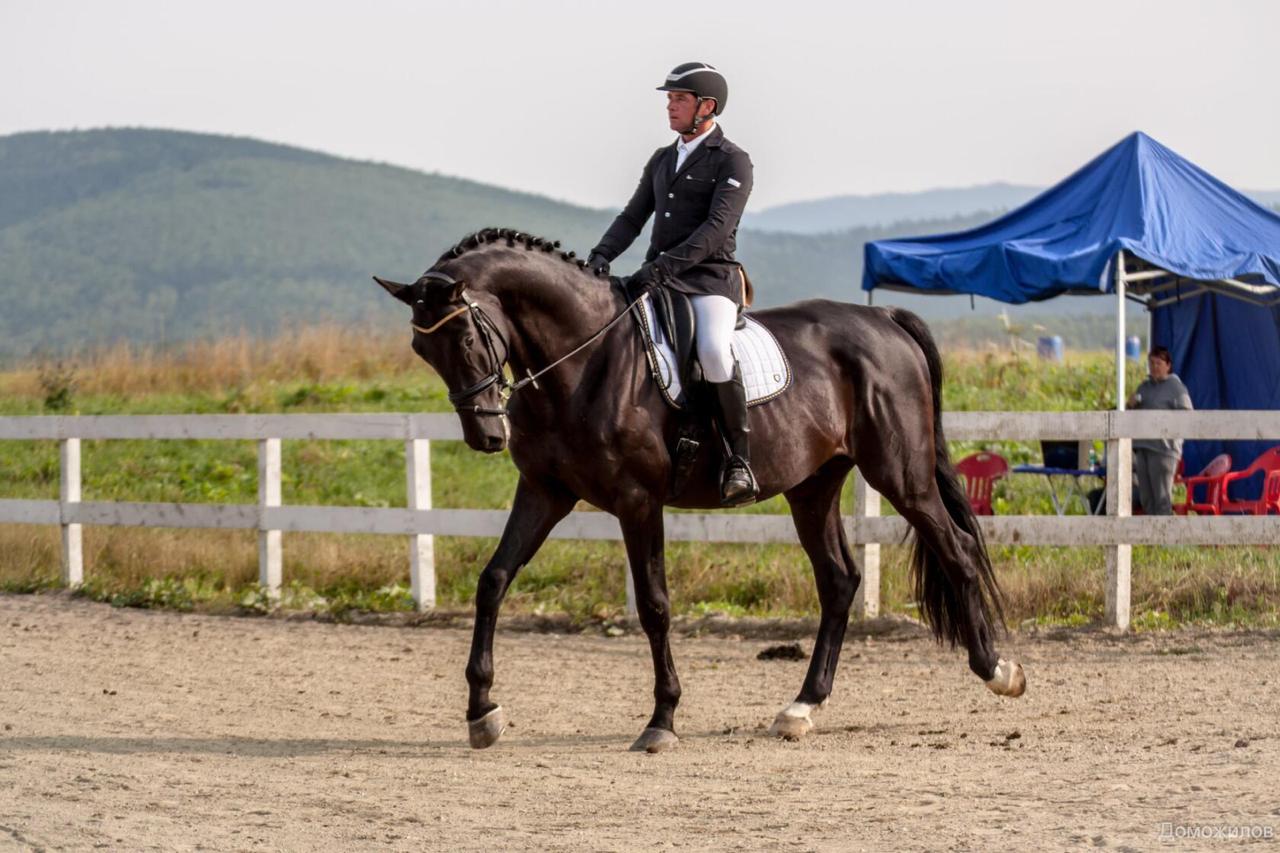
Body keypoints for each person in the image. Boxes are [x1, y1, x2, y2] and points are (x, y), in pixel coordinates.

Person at [586, 62, 757, 506]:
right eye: (669, 99)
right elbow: (632, 216)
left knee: (715, 351)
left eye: (679, 99)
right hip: (658, 279)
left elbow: (715, 230)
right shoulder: (663, 159)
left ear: (707, 107)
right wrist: (602, 254)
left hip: (709, 280)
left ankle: (739, 459)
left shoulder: (732, 160)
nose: (670, 106)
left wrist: (662, 267)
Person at [1127, 346, 1193, 515]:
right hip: (1142, 447)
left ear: (1168, 365)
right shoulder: (1144, 387)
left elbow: (1187, 415)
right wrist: (1130, 404)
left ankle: (1165, 538)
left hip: (1164, 449)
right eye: (1152, 363)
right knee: (1146, 498)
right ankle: (1150, 538)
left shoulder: (1176, 388)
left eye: (1159, 363)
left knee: (1162, 497)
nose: (1155, 367)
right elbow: (1130, 415)